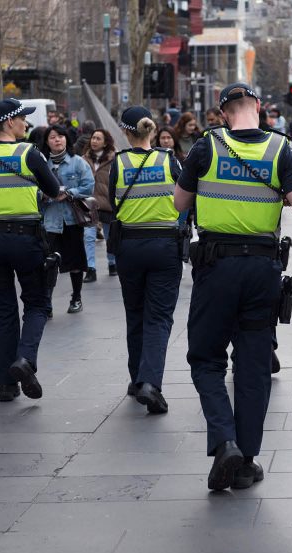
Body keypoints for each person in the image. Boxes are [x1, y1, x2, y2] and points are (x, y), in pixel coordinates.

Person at [175, 83, 292, 490]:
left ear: (222, 113)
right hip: (262, 269)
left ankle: (224, 442)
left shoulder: (206, 147)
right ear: (258, 106)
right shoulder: (280, 149)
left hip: (216, 268)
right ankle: (246, 461)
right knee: (253, 366)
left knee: (206, 359)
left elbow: (178, 204)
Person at [0, 99, 63, 403]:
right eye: (22, 118)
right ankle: (25, 360)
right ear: (9, 122)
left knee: (5, 312)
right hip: (27, 240)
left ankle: (6, 386)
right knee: (37, 303)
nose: (26, 123)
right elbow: (53, 189)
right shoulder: (30, 154)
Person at [109, 106, 184, 414]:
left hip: (129, 245)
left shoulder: (118, 163)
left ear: (126, 131)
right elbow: (186, 196)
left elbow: (113, 200)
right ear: (152, 130)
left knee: (135, 312)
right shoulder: (169, 160)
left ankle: (137, 380)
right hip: (165, 244)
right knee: (159, 317)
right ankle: (151, 382)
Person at [39, 125, 95, 314]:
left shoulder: (78, 162)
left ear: (66, 140)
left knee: (76, 262)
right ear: (47, 142)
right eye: (53, 137)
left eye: (61, 136)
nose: (57, 140)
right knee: (49, 264)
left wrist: (69, 193)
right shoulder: (42, 164)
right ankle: (47, 303)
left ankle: (76, 298)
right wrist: (46, 195)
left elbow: (88, 186)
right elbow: (33, 189)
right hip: (50, 222)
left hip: (72, 220)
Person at [82, 128, 116, 282]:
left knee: (109, 237)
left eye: (98, 139)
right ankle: (91, 268)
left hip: (108, 204)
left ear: (105, 142)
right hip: (89, 204)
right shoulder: (84, 159)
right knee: (88, 237)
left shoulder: (114, 159)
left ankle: (112, 263)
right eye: (93, 138)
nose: (94, 141)